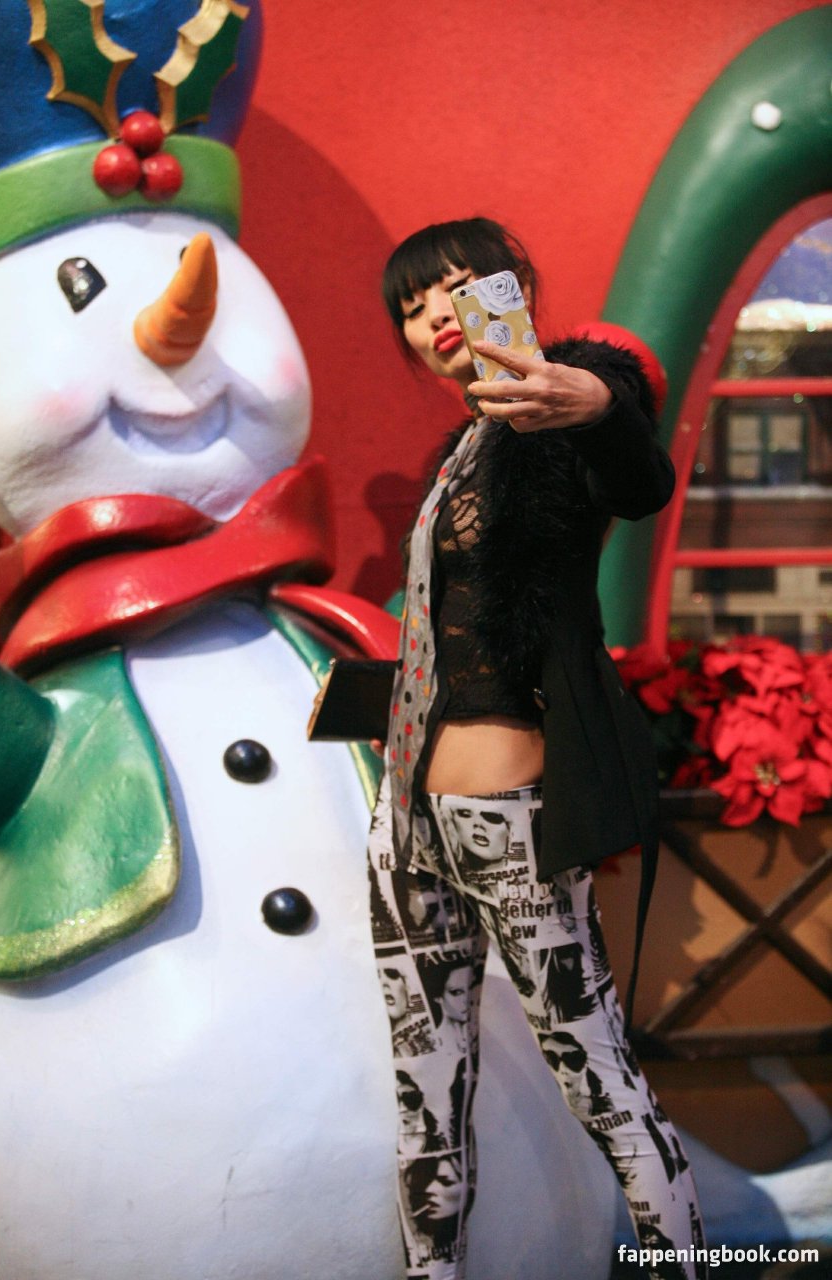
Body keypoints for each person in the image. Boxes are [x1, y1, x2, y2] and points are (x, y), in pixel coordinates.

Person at [366, 217, 707, 1280]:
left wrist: (594, 402)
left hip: (509, 814)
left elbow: (639, 478)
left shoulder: (560, 407)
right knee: (424, 1087)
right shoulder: (459, 451)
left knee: (597, 1075)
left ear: (511, 286)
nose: (434, 315)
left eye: (455, 286)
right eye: (411, 306)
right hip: (405, 819)